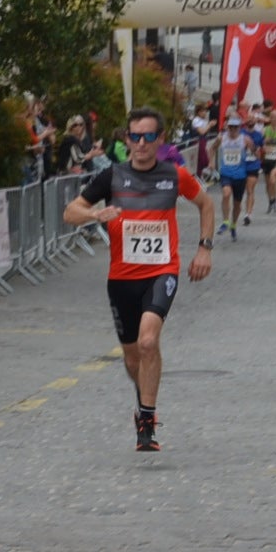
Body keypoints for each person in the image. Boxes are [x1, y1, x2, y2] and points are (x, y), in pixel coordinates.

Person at [62, 107, 216, 451]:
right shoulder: (112, 176)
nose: (141, 143)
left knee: (149, 342)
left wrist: (204, 248)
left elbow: (206, 205)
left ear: (160, 140)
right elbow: (70, 212)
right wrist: (93, 213)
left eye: (149, 137)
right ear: (127, 139)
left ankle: (147, 420)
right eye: (135, 136)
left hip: (162, 271)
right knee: (133, 356)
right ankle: (142, 394)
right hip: (121, 278)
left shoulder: (175, 175)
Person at [213, 111, 260, 237]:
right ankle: (225, 221)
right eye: (230, 127)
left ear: (240, 128)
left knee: (237, 204)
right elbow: (212, 148)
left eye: (235, 127)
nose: (233, 130)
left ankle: (233, 224)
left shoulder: (245, 139)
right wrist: (211, 163)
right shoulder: (221, 138)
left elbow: (256, 154)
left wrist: (256, 155)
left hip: (240, 175)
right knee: (226, 193)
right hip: (226, 173)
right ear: (227, 127)